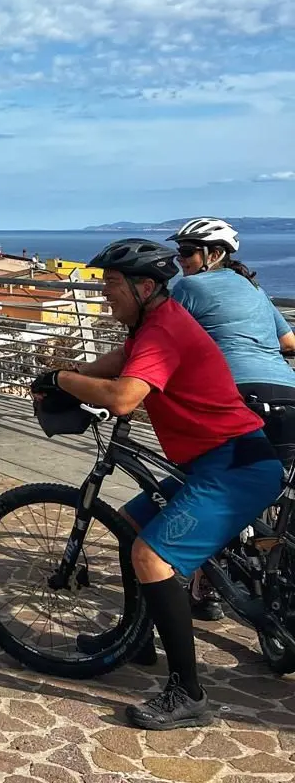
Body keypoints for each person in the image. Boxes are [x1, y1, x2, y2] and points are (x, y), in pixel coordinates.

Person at [31, 238, 283, 730]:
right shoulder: (149, 326)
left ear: (145, 287)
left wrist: (61, 381)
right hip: (210, 462)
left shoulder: (164, 330)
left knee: (151, 554)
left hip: (236, 465)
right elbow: (112, 365)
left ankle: (187, 692)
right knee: (131, 523)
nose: (106, 296)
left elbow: (124, 397)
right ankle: (136, 636)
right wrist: (64, 373)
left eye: (113, 286)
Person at [166, 217, 295, 621]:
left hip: (236, 397)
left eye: (187, 253)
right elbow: (289, 343)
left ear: (214, 255)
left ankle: (207, 590)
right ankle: (272, 575)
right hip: (287, 395)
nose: (180, 262)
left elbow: (163, 336)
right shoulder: (255, 290)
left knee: (210, 487)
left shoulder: (189, 288)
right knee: (271, 489)